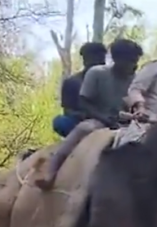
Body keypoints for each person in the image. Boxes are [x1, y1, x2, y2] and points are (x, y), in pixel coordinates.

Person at [36, 39, 143, 190]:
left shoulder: (136, 80)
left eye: (136, 61)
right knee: (82, 128)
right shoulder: (95, 74)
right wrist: (103, 118)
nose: (134, 65)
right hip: (98, 120)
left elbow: (135, 102)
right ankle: (51, 172)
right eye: (131, 61)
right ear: (117, 59)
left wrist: (134, 114)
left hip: (124, 121)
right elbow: (84, 102)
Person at [52, 42, 108, 138]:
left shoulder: (110, 80)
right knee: (60, 121)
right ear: (85, 59)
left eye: (101, 58)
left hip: (107, 121)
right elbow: (68, 110)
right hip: (79, 121)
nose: (98, 62)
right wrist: (84, 115)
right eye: (94, 58)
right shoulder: (72, 82)